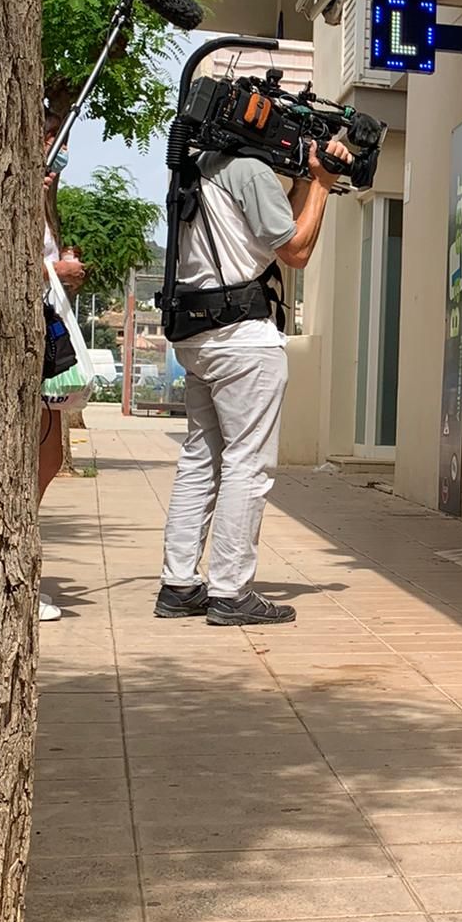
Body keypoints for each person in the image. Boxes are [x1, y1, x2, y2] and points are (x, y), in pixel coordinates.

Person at [154, 136, 350, 626]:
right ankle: (230, 591)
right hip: (243, 338)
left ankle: (179, 584)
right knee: (248, 465)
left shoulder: (197, 166)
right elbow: (296, 250)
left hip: (198, 334)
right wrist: (323, 184)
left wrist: (305, 177)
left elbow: (266, 227)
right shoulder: (248, 170)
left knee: (201, 459)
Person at [40, 114, 85, 622]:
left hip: (45, 343)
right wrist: (57, 269)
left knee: (47, 453)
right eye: (51, 140)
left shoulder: (42, 203)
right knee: (40, 453)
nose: (58, 152)